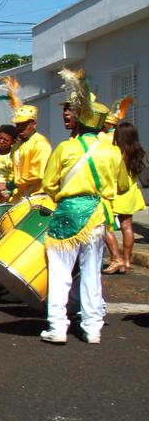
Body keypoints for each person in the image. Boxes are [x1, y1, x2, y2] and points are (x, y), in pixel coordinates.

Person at [40, 71, 130, 344]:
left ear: (79, 119)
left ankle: (57, 327)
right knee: (91, 273)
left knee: (60, 273)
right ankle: (93, 328)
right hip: (97, 215)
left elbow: (49, 184)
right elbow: (123, 186)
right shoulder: (113, 152)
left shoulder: (65, 149)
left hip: (67, 213)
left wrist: (64, 197)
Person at [102, 122, 146, 275]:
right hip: (132, 192)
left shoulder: (116, 151)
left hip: (117, 191)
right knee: (128, 227)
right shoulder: (138, 152)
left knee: (105, 225)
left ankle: (116, 258)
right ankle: (126, 261)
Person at [11, 105, 51, 202]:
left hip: (37, 198)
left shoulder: (41, 143)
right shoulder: (16, 146)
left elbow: (37, 174)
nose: (20, 128)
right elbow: (15, 173)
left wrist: (12, 184)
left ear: (34, 124)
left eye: (24, 124)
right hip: (20, 198)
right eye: (18, 124)